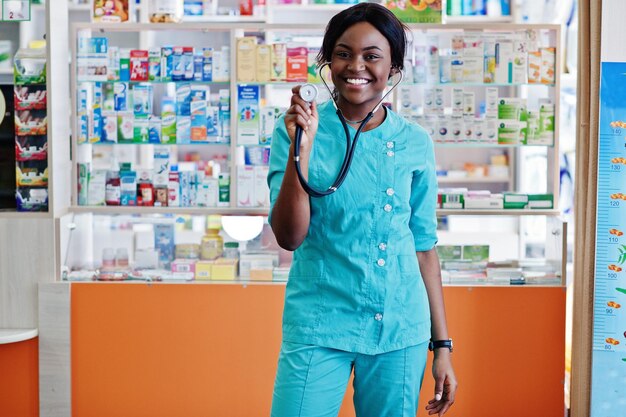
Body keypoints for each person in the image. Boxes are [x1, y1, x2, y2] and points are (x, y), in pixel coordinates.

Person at [267, 3, 457, 416]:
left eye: (372, 55)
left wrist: (442, 346)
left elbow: (424, 247)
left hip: (399, 329)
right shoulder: (296, 130)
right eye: (343, 52)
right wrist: (304, 145)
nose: (357, 65)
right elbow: (289, 236)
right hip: (319, 323)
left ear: (393, 68)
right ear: (327, 61)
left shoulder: (414, 142)